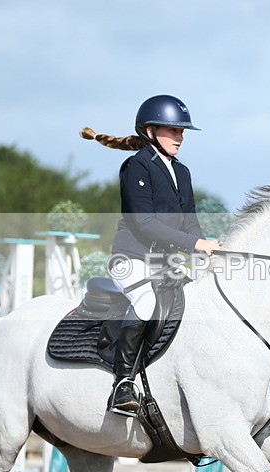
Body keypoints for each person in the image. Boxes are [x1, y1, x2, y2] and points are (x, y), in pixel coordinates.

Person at [81, 94, 220, 415]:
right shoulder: (136, 166)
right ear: (150, 130)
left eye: (182, 132)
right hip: (132, 259)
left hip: (165, 264)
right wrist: (195, 245)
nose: (180, 138)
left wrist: (207, 248)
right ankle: (123, 384)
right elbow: (143, 222)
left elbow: (190, 222)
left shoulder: (181, 172)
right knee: (146, 304)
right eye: (173, 131)